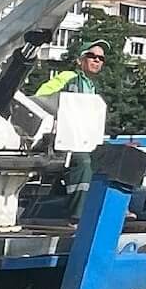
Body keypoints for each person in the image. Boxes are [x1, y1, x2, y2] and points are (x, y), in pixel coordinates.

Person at [34, 39, 107, 215]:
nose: (97, 60)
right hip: (65, 140)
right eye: (92, 56)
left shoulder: (91, 87)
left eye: (101, 58)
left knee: (111, 159)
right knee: (82, 162)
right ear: (79, 60)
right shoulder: (68, 77)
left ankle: (110, 208)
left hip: (84, 139)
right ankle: (79, 214)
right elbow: (40, 97)